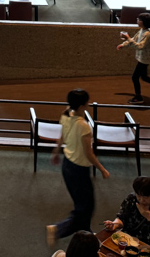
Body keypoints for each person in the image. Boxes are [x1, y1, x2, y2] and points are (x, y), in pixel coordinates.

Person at [45, 89, 109, 248]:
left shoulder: (65, 115)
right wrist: (102, 169)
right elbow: (88, 153)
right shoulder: (84, 126)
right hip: (79, 170)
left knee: (84, 205)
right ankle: (58, 230)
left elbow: (61, 136)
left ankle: (87, 235)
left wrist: (56, 152)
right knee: (85, 208)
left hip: (67, 165)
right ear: (83, 105)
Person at [103, 176, 150, 254]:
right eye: (139, 195)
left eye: (146, 197)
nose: (141, 200)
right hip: (131, 244)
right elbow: (122, 217)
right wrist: (115, 224)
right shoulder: (132, 199)